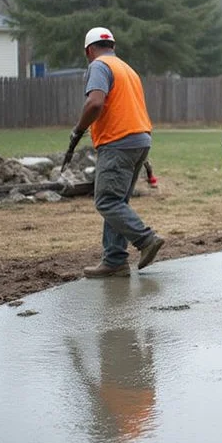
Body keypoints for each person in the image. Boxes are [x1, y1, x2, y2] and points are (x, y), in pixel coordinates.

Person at [74, 27, 165, 278]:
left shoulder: (99, 66)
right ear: (112, 45)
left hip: (118, 141)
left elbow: (94, 102)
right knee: (117, 202)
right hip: (140, 140)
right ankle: (114, 260)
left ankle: (146, 240)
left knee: (107, 201)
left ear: (89, 51)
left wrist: (79, 129)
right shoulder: (127, 69)